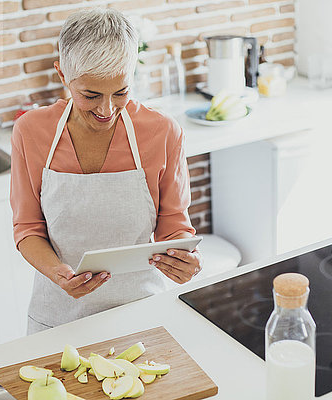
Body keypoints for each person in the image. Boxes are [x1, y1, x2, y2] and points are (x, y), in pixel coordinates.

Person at [10, 8, 202, 334]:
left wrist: (185, 261)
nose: (107, 109)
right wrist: (58, 273)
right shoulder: (30, 131)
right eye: (90, 94)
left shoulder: (163, 132)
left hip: (144, 312)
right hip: (59, 315)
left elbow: (174, 226)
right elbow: (28, 228)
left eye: (121, 92)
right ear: (62, 75)